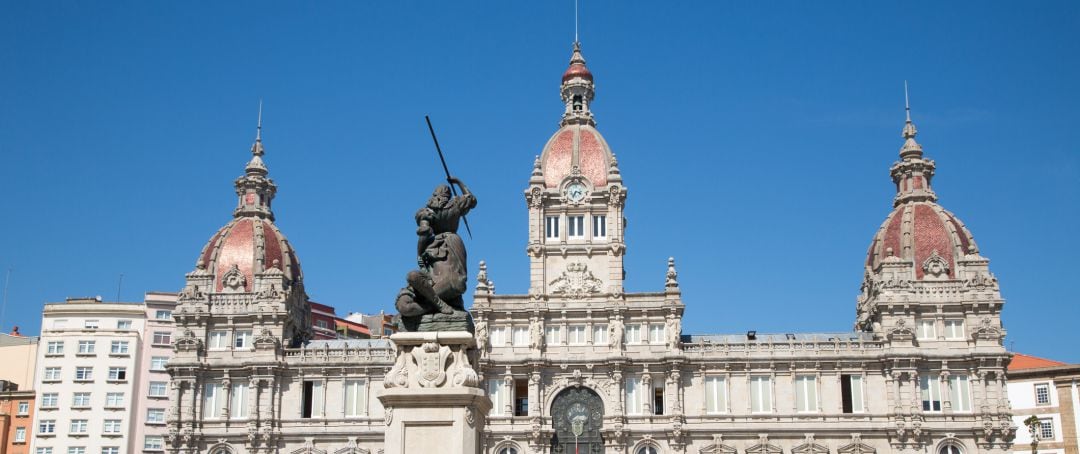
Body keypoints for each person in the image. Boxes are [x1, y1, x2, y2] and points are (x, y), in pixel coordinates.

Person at [396, 177, 477, 319]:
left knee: (455, 281)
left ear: (434, 195)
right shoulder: (455, 205)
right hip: (451, 242)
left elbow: (424, 233)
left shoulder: (428, 211)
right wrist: (458, 182)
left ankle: (433, 304)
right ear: (448, 195)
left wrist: (419, 253)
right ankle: (436, 303)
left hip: (437, 246)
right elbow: (471, 199)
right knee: (415, 283)